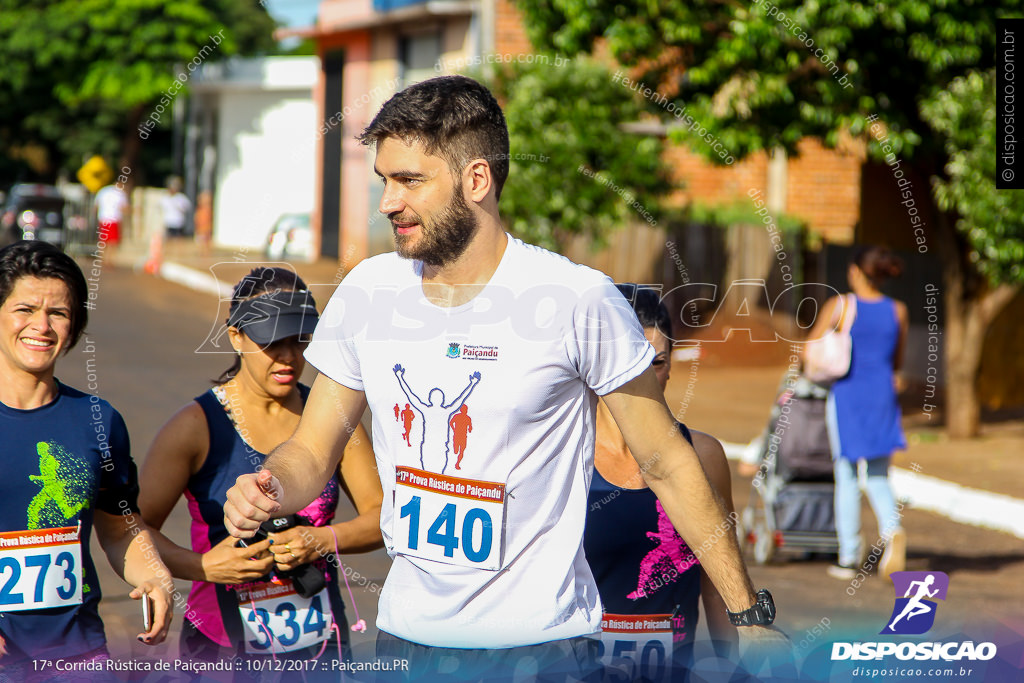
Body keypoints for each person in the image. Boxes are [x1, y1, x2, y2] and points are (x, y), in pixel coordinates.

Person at [223, 76, 785, 679]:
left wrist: (749, 614)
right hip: (406, 641)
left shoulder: (575, 299)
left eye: (410, 180)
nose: (388, 201)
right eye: (384, 180)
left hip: (540, 650)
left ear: (477, 180)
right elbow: (312, 448)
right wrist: (271, 485)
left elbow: (667, 461)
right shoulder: (367, 291)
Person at [139, 267, 383, 671]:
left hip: (321, 646)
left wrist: (320, 539)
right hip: (220, 651)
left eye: (300, 341)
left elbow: (381, 517)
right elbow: (132, 529)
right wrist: (202, 566)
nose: (289, 357)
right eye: (272, 343)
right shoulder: (194, 427)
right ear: (236, 336)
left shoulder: (333, 418)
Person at [0, 240, 173, 678]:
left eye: (57, 313)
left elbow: (118, 526)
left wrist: (152, 574)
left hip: (78, 658)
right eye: (25, 309)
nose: (41, 325)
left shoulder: (98, 420)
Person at [586, 285, 737, 681]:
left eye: (657, 362)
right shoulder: (563, 455)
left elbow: (718, 584)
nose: (646, 377)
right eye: (631, 361)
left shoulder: (703, 458)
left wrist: (732, 669)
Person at [804, 246, 908, 581]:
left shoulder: (840, 305)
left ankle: (849, 557)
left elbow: (812, 347)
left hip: (847, 395)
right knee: (877, 474)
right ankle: (893, 531)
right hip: (883, 396)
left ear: (855, 272)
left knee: (846, 474)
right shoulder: (898, 311)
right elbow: (896, 362)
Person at [95, 181, 128, 255]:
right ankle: (109, 258)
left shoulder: (103, 191)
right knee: (113, 241)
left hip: (103, 218)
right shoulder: (120, 194)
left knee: (104, 240)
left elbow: (96, 205)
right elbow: (123, 208)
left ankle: (102, 257)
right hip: (114, 219)